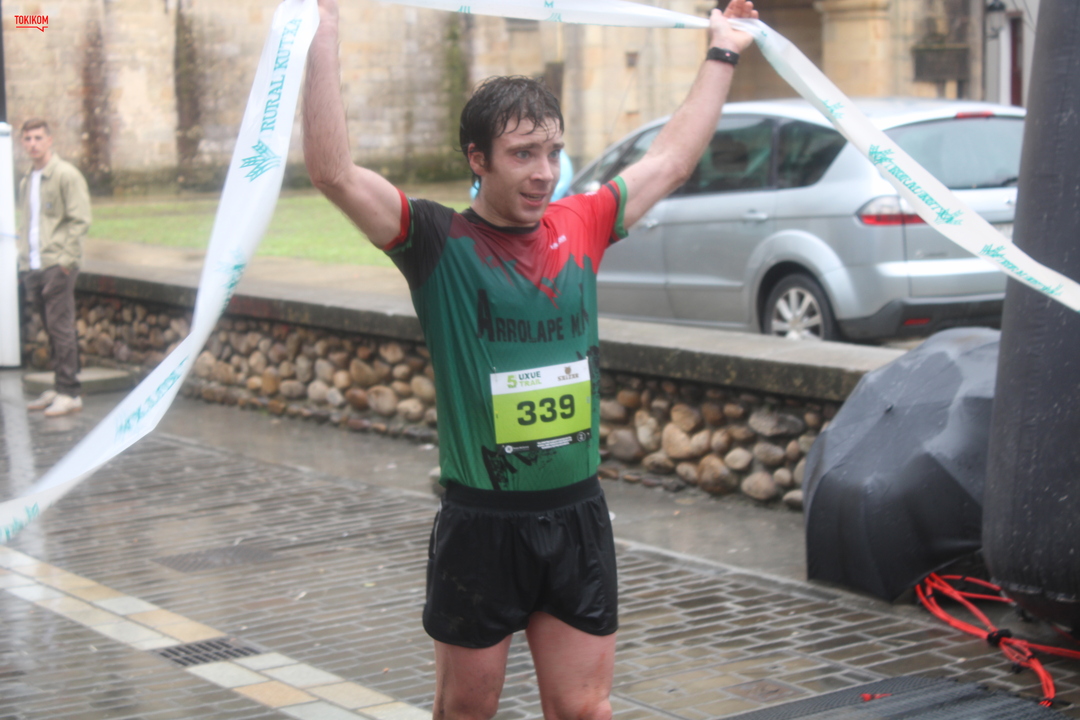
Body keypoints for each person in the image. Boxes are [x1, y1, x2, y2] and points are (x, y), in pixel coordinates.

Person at [303, 2, 756, 717]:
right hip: (482, 523)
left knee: (585, 711)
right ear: (477, 159)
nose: (545, 172)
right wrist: (323, 27)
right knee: (466, 711)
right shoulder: (434, 240)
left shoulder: (583, 222)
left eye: (552, 152)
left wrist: (723, 50)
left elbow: (670, 161)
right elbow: (331, 172)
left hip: (575, 515)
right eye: (522, 154)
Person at [17, 119, 91, 417]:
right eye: (28, 139)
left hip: (57, 264)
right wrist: (24, 262)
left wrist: (66, 262)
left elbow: (80, 220)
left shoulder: (65, 175)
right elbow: (28, 224)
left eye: (38, 138)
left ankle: (70, 392)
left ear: (49, 140)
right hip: (34, 265)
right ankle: (60, 386)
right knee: (50, 328)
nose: (33, 144)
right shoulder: (27, 180)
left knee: (61, 328)